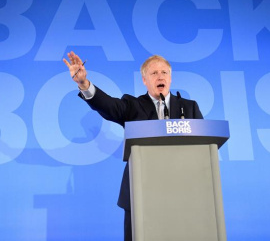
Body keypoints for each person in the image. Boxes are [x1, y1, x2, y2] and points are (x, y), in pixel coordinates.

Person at [63, 51, 203, 241]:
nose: (160, 76)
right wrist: (83, 84)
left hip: (182, 192)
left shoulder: (189, 107)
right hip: (140, 192)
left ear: (170, 77)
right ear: (144, 80)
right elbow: (108, 105)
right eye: (154, 73)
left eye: (164, 72)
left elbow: (203, 147)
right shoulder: (132, 105)